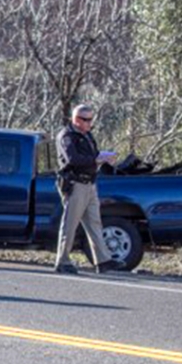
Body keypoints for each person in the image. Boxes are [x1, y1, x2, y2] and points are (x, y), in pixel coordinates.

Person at [54, 104, 126, 274]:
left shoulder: (87, 136)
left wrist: (104, 158)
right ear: (76, 119)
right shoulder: (67, 136)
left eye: (91, 119)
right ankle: (62, 261)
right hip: (75, 184)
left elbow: (93, 154)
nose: (89, 123)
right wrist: (97, 160)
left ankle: (102, 260)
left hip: (90, 184)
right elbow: (73, 159)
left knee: (94, 222)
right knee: (69, 224)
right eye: (86, 119)